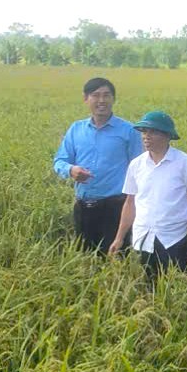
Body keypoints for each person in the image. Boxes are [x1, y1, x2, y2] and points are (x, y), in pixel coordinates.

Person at [108, 111, 187, 279]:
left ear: (168, 135)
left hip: (174, 238)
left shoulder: (185, 163)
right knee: (145, 284)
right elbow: (130, 203)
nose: (146, 136)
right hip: (142, 239)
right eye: (144, 131)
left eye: (153, 131)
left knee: (176, 284)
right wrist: (119, 238)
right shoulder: (136, 165)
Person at [53, 77, 143, 253]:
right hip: (84, 207)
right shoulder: (76, 129)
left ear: (113, 99)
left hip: (116, 208)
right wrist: (71, 170)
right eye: (95, 95)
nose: (101, 100)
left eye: (106, 95)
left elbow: (141, 169)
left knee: (116, 258)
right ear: (86, 99)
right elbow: (59, 161)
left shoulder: (128, 131)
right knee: (85, 258)